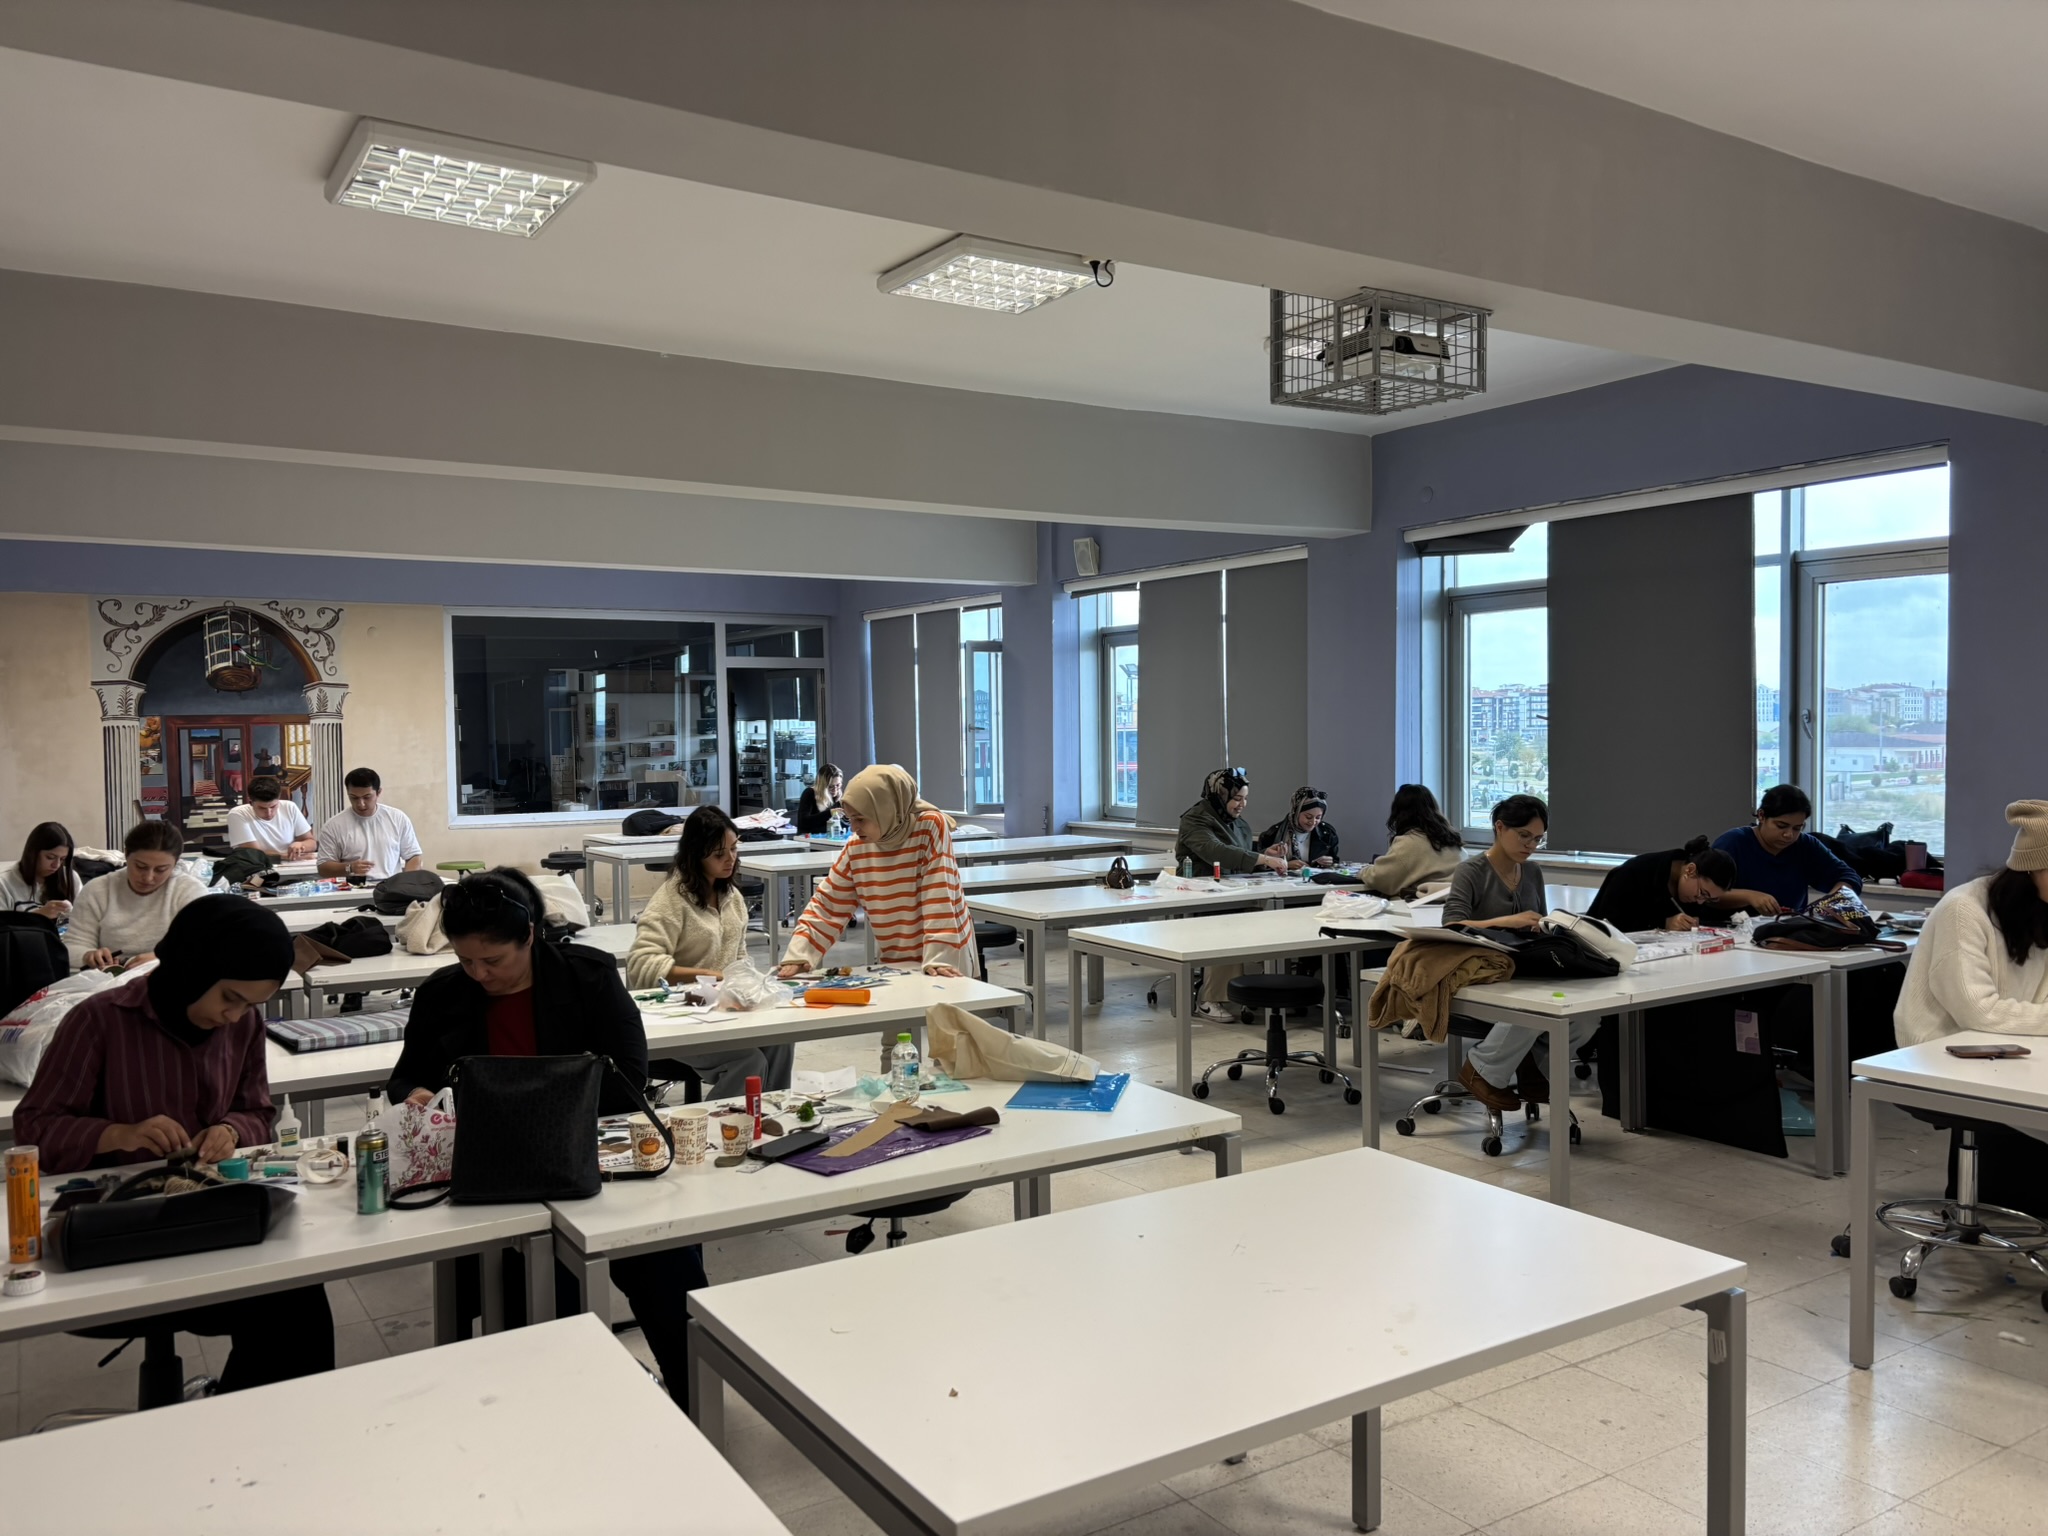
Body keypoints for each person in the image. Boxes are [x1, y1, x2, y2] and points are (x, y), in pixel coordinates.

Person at [388, 868, 702, 1402]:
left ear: (529, 935)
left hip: (590, 1156)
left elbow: (629, 1078)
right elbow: (405, 1077)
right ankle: (554, 1404)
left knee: (666, 1265)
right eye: (465, 960)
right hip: (494, 1173)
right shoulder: (444, 994)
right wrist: (417, 1094)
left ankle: (694, 1400)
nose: (479, 974)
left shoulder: (587, 978)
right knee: (534, 1290)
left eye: (493, 960)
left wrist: (533, 1102)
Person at [16, 896, 334, 1390]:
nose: (234, 1016)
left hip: (206, 1220)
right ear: (191, 968)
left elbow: (257, 1112)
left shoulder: (243, 1024)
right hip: (118, 1233)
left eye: (250, 1005)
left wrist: (231, 1130)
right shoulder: (100, 1020)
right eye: (229, 997)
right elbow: (34, 1128)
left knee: (298, 1301)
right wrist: (115, 1134)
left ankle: (249, 1430)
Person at [1444, 794, 1595, 1111]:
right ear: (1500, 828)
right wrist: (1506, 922)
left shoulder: (1532, 872)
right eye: (1524, 835)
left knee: (1587, 1018)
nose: (1531, 845)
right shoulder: (1471, 871)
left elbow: (1539, 922)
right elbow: (1452, 926)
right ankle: (1481, 1070)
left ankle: (1533, 1068)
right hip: (1481, 973)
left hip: (1524, 969)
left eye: (1538, 839)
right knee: (1534, 1008)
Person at [627, 806, 792, 1092]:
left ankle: (769, 1113)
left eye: (734, 848)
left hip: (719, 1009)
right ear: (696, 855)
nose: (730, 859)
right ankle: (726, 1121)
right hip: (675, 1014)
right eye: (719, 854)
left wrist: (751, 986)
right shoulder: (671, 900)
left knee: (780, 1040)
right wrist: (709, 975)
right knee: (748, 1062)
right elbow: (641, 965)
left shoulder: (731, 897)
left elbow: (739, 958)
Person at [774, 764, 974, 977]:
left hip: (945, 956)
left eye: (861, 819)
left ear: (886, 810)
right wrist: (799, 954)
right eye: (850, 819)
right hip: (896, 956)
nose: (854, 828)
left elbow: (939, 893)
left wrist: (940, 955)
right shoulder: (857, 846)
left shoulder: (929, 826)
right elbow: (828, 905)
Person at [1897, 800, 2048, 1045]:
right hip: (1940, 1049)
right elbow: (1978, 1011)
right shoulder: (1962, 910)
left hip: (2010, 1044)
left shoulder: (2040, 906)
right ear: (2032, 868)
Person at [1174, 769, 1288, 1018]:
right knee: (1227, 924)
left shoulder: (1237, 822)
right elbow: (1216, 850)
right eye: (1237, 799)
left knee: (1276, 918)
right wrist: (1263, 859)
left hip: (1233, 890)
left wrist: (1266, 854)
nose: (1242, 805)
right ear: (1219, 796)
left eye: (1245, 799)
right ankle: (1210, 998)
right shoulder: (1195, 819)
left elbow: (1240, 855)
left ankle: (1264, 987)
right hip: (1202, 894)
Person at [65, 821, 205, 971]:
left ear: (175, 863)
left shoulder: (189, 892)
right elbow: (72, 945)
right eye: (140, 867)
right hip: (110, 978)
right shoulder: (98, 890)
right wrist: (88, 956)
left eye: (160, 870)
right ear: (126, 854)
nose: (148, 878)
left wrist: (163, 958)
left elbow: (207, 946)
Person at [1712, 784, 1861, 916]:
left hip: (1787, 928)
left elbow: (1849, 877)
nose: (1789, 835)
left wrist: (1832, 900)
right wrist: (1748, 897)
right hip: (1732, 930)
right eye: (1781, 826)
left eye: (1797, 828)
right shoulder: (1734, 842)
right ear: (1762, 816)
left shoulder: (1805, 845)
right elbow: (1705, 892)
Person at [1587, 836, 1740, 934]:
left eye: (1708, 899)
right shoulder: (1635, 873)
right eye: (1702, 893)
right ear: (1690, 870)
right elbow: (1608, 924)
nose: (1700, 901)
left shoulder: (1690, 889)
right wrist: (1663, 923)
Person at [1356, 785, 1465, 898]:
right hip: (1452, 904)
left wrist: (1363, 871)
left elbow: (1381, 878)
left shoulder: (1409, 842)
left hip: (1416, 904)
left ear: (1399, 812)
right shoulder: (1452, 841)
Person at [316, 767, 423, 880]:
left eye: (367, 797)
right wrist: (349, 867)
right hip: (352, 887)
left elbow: (414, 856)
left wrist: (407, 882)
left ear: (378, 792)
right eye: (354, 798)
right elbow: (323, 868)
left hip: (391, 886)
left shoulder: (397, 818)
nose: (361, 804)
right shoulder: (333, 826)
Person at [1, 821, 82, 919]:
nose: (56, 865)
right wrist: (39, 916)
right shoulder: (4, 884)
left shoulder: (70, 878)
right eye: (50, 857)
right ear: (32, 853)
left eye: (62, 859)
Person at [227, 775, 316, 859]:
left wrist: (301, 845)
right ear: (251, 802)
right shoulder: (238, 814)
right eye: (262, 808)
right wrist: (288, 856)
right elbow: (254, 854)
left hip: (293, 864)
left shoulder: (289, 807)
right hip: (257, 866)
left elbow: (312, 843)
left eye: (273, 806)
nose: (269, 813)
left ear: (278, 800)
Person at [1257, 786, 1341, 870]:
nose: (1313, 822)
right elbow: (1258, 866)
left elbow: (1336, 864)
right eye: (1308, 817)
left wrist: (1329, 862)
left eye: (1318, 817)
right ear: (1296, 813)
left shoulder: (1327, 833)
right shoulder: (1272, 834)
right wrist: (1286, 865)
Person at [794, 763, 844, 835]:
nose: (835, 790)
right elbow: (803, 823)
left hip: (827, 838)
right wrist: (830, 813)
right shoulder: (810, 793)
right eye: (830, 786)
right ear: (822, 785)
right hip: (809, 838)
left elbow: (840, 825)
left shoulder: (836, 798)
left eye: (838, 785)